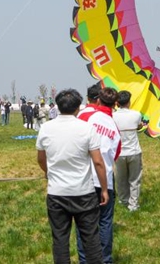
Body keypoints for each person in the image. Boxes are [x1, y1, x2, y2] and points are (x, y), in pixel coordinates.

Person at [37, 89, 109, 264]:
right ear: (78, 107)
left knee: (60, 239)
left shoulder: (46, 128)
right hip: (83, 193)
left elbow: (40, 158)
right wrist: (104, 189)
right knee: (90, 239)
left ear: (59, 106)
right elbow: (98, 162)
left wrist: (48, 172)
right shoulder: (86, 128)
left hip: (56, 193)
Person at [76, 87, 121, 264]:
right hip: (106, 180)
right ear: (114, 104)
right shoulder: (114, 126)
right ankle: (105, 260)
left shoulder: (86, 117)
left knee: (84, 224)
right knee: (105, 222)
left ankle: (85, 260)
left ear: (98, 101)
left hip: (84, 179)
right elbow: (115, 154)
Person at [112, 90, 143, 212]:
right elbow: (138, 125)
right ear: (129, 102)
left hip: (119, 152)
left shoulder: (113, 116)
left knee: (121, 178)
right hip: (134, 151)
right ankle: (133, 204)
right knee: (134, 179)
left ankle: (123, 200)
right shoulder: (136, 114)